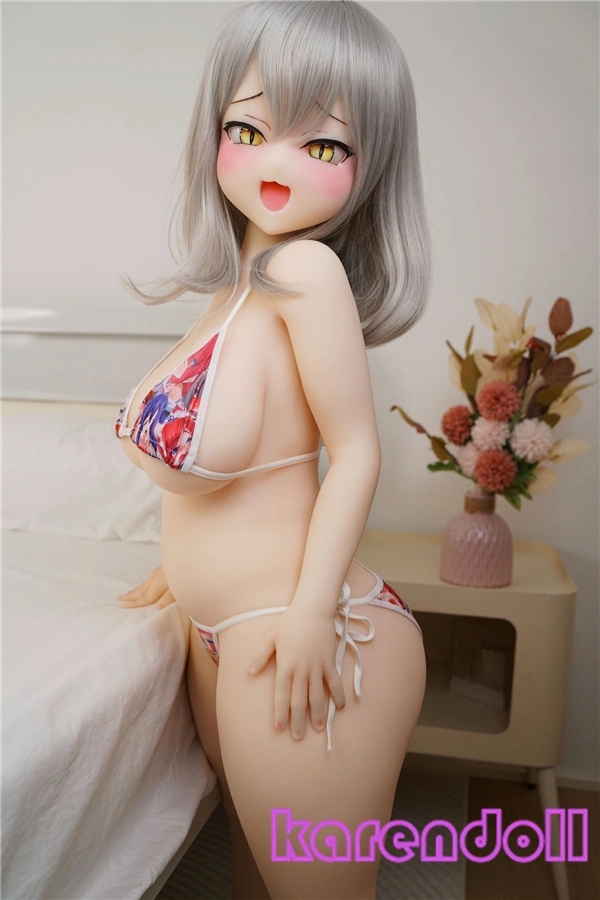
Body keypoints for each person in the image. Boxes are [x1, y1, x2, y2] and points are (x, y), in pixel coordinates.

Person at [116, 2, 431, 897]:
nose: (277, 167)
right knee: (257, 877)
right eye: (248, 131)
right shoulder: (230, 293)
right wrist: (179, 566)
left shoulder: (304, 271)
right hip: (226, 632)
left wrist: (309, 615)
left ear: (372, 165)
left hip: (304, 627)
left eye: (322, 145)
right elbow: (241, 463)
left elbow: (355, 454)